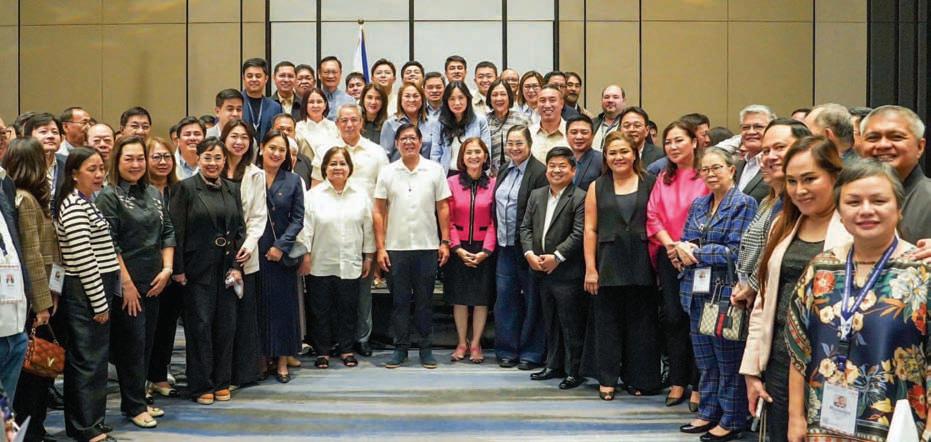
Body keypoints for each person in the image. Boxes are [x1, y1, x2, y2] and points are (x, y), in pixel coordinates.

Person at [785, 160, 929, 442]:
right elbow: (799, 349)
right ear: (840, 213)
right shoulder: (821, 267)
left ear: (898, 209)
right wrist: (795, 417)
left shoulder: (922, 272)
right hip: (824, 425)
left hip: (899, 427)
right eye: (853, 202)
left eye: (878, 201)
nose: (865, 210)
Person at [739, 135, 846, 441]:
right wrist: (752, 369)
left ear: (834, 176)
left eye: (810, 179)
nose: (800, 190)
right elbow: (763, 303)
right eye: (792, 181)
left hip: (834, 361)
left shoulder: (855, 227)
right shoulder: (782, 224)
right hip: (780, 358)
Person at [676, 147, 757, 441]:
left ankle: (732, 418)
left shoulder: (743, 204)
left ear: (731, 170)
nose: (710, 174)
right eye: (705, 169)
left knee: (727, 360)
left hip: (725, 293)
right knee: (705, 360)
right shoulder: (700, 203)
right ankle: (708, 411)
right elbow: (687, 239)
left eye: (717, 168)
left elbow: (736, 251)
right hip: (696, 291)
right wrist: (683, 251)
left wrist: (696, 253)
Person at [95, 136, 175, 428]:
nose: (136, 164)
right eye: (128, 158)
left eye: (140, 158)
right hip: (126, 285)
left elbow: (168, 231)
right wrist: (126, 284)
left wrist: (167, 269)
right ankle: (134, 406)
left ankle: (138, 398)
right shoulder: (108, 196)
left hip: (156, 281)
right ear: (116, 160)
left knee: (146, 345)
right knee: (131, 347)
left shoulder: (153, 192)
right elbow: (109, 243)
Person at [582, 131, 661, 400]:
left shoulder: (651, 182)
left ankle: (639, 378)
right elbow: (590, 229)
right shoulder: (597, 186)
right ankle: (607, 378)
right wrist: (590, 268)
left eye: (624, 151)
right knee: (607, 324)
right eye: (612, 153)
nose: (619, 157)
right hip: (607, 263)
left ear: (635, 154)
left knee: (642, 324)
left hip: (642, 261)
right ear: (605, 156)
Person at [170, 138, 245, 405]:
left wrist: (237, 265)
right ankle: (201, 384)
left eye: (218, 158)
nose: (213, 163)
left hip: (226, 268)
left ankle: (222, 381)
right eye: (207, 157)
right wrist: (178, 269)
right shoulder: (185, 188)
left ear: (225, 160)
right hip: (196, 269)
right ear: (198, 159)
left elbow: (239, 230)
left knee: (226, 326)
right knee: (200, 327)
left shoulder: (232, 188)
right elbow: (176, 230)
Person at [373, 124, 451, 369]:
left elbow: (443, 207)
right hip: (396, 248)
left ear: (420, 142)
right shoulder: (387, 172)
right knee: (399, 302)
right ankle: (400, 348)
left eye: (412, 138)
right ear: (396, 143)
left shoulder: (434, 170)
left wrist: (445, 241)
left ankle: (426, 349)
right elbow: (378, 210)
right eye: (403, 139)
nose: (408, 142)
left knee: (425, 302)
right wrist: (380, 247)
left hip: (427, 246)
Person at [56, 147, 120, 442]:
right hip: (85, 290)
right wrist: (99, 302)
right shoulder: (73, 206)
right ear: (73, 173)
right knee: (87, 361)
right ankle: (85, 427)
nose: (98, 175)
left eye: (101, 169)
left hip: (95, 287)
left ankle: (92, 421)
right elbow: (84, 261)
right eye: (91, 169)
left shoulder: (87, 202)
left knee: (94, 360)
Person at [315, 105, 388, 357]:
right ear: (337, 123)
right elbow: (315, 188)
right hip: (329, 230)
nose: (349, 124)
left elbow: (384, 197)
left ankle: (362, 337)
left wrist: (378, 244)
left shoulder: (376, 153)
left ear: (361, 122)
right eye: (344, 120)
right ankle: (336, 340)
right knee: (331, 292)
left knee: (362, 289)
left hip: (363, 228)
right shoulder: (325, 149)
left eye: (354, 119)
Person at [647, 121, 707, 410]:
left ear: (694, 142)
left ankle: (699, 384)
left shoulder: (706, 174)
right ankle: (678, 380)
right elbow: (652, 215)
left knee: (698, 319)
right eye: (668, 142)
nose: (672, 147)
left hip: (699, 257)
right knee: (672, 318)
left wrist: (686, 247)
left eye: (679, 140)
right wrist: (671, 246)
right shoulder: (663, 176)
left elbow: (712, 214)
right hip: (668, 254)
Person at [520, 146, 587, 390]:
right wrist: (529, 253)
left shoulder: (580, 197)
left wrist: (557, 257)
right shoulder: (537, 195)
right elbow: (525, 228)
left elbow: (579, 233)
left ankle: (574, 371)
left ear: (573, 170)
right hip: (539, 269)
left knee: (570, 324)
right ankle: (553, 365)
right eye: (552, 166)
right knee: (550, 321)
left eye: (562, 166)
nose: (556, 170)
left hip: (567, 272)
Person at [304, 146, 373, 369]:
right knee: (320, 310)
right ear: (325, 168)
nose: (338, 167)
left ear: (349, 168)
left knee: (348, 308)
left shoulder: (360, 195)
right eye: (333, 163)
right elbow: (306, 229)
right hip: (320, 261)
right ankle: (322, 351)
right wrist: (305, 255)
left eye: (342, 163)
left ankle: (346, 349)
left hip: (351, 261)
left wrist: (369, 256)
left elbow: (368, 228)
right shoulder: (313, 196)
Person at [493, 125, 548, 369]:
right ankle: (507, 350)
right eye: (510, 143)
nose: (514, 148)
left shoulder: (539, 172)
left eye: (519, 143)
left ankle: (531, 353)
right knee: (505, 300)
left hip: (528, 248)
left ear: (529, 145)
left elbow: (539, 213)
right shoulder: (504, 169)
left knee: (532, 301)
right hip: (504, 246)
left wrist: (531, 248)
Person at [219, 120, 268, 386]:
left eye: (244, 138)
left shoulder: (255, 174)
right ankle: (219, 374)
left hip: (244, 254)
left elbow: (259, 216)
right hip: (215, 254)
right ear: (224, 138)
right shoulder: (212, 166)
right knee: (220, 318)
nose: (239, 142)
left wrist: (248, 246)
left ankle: (242, 374)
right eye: (234, 136)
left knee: (243, 316)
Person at [3, 140, 51, 406]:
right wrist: (42, 302)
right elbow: (33, 256)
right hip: (29, 299)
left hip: (28, 298)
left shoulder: (21, 196)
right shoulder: (24, 200)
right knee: (32, 371)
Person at [254, 131, 304, 383]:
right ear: (262, 148)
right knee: (260, 308)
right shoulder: (250, 176)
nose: (276, 153)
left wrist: (281, 246)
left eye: (281, 150)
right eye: (272, 148)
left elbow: (298, 219)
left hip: (282, 255)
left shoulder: (294, 180)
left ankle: (283, 361)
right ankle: (263, 358)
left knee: (284, 309)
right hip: (255, 251)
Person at [444, 138, 496, 364]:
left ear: (485, 156)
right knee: (460, 299)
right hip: (459, 249)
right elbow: (447, 219)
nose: (473, 156)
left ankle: (475, 344)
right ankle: (461, 343)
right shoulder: (451, 183)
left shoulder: (494, 183)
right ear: (462, 158)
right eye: (469, 153)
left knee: (481, 299)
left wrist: (486, 250)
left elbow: (495, 220)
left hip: (485, 249)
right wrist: (456, 248)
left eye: (478, 152)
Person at [144, 137, 184, 401]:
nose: (162, 162)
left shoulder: (181, 190)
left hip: (177, 269)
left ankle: (159, 376)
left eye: (167, 156)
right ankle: (141, 379)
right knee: (146, 328)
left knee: (167, 326)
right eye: (156, 156)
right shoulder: (139, 192)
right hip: (146, 269)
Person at [858, 105, 931, 244]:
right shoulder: (848, 197)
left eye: (896, 137)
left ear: (920, 147)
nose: (883, 145)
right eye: (873, 138)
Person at [430, 81, 491, 174]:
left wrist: (484, 175)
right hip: (448, 174)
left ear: (467, 98)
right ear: (446, 101)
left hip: (474, 174)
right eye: (452, 99)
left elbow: (487, 151)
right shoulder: (439, 123)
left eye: (461, 98)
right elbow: (435, 154)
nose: (457, 103)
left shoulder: (480, 120)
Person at [379, 82, 437, 161]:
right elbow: (385, 156)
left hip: (427, 168)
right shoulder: (390, 123)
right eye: (407, 96)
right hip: (399, 168)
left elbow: (436, 153)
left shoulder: (433, 122)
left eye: (416, 96)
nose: (412, 100)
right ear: (400, 99)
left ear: (422, 99)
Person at [23, 113, 68, 209]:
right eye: (43, 132)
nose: (51, 136)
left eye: (55, 132)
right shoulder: (21, 164)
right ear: (29, 137)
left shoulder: (68, 163)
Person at [486, 79, 530, 176]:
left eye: (503, 94)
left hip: (519, 174)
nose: (499, 98)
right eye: (494, 95)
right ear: (489, 98)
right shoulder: (484, 121)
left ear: (509, 96)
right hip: (490, 177)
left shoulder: (522, 119)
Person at [734, 105, 776, 202]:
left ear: (772, 129)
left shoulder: (777, 164)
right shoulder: (737, 165)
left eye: (758, 127)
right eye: (745, 127)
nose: (751, 132)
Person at [241, 58, 283, 144]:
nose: (254, 79)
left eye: (258, 76)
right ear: (243, 78)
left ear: (266, 79)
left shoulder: (275, 107)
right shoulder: (235, 103)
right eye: (249, 76)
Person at [296, 88, 339, 161]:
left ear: (325, 105)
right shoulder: (297, 128)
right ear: (305, 105)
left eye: (319, 102)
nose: (315, 105)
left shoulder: (334, 126)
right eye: (311, 102)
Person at [528, 86, 568, 163]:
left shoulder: (573, 133)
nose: (547, 105)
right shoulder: (529, 133)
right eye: (542, 100)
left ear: (562, 103)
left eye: (552, 100)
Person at [566, 115, 601, 191]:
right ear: (566, 135)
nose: (579, 137)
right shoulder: (563, 159)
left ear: (592, 136)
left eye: (584, 132)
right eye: (574, 132)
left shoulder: (601, 160)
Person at [318, 56, 355, 120]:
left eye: (334, 72)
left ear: (340, 73)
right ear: (319, 74)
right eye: (326, 72)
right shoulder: (312, 100)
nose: (330, 76)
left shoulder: (350, 101)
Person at [592, 85, 626, 150]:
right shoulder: (591, 123)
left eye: (615, 97)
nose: (610, 100)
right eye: (606, 97)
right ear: (601, 101)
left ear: (623, 101)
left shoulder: (629, 126)